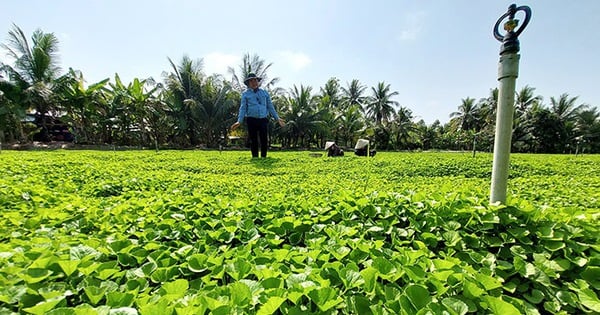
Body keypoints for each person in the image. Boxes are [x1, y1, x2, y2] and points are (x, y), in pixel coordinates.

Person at [231, 73, 285, 158]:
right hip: (251, 119)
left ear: (258, 81)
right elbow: (243, 108)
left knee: (264, 139)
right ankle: (255, 157)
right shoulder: (245, 94)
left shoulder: (264, 93)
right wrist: (239, 121)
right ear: (248, 83)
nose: (254, 82)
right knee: (253, 140)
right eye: (251, 81)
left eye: (255, 80)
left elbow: (270, 106)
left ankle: (264, 157)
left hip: (263, 119)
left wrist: (277, 118)